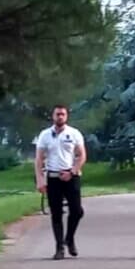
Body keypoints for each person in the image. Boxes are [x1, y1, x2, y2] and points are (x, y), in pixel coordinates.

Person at [34, 105, 87, 260]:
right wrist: (40, 179)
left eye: (63, 114)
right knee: (56, 213)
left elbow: (82, 155)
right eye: (57, 114)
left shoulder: (74, 133)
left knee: (77, 211)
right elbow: (39, 158)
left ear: (67, 116)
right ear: (53, 116)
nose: (60, 117)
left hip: (71, 176)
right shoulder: (45, 135)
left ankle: (69, 238)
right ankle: (59, 247)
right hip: (53, 177)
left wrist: (73, 171)